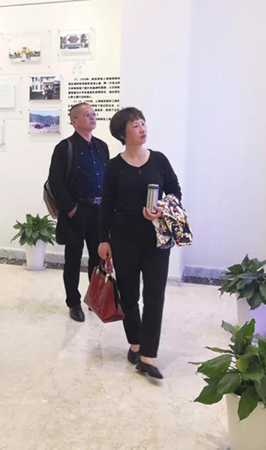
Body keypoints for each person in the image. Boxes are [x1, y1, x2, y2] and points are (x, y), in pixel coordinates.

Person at [98, 107, 182, 380]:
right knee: (129, 295)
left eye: (143, 123)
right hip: (124, 239)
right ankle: (135, 342)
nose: (142, 129)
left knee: (155, 296)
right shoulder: (114, 166)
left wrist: (161, 209)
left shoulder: (159, 160)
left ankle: (148, 355)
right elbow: (106, 206)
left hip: (157, 239)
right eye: (135, 125)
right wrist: (103, 239)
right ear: (122, 134)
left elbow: (175, 192)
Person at [48, 103, 110, 322]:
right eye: (87, 115)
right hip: (76, 212)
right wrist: (72, 209)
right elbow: (55, 182)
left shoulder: (102, 146)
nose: (92, 117)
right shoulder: (65, 147)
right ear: (74, 121)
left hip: (99, 212)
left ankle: (94, 298)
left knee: (98, 258)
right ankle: (73, 302)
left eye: (93, 114)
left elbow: (108, 179)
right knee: (73, 260)